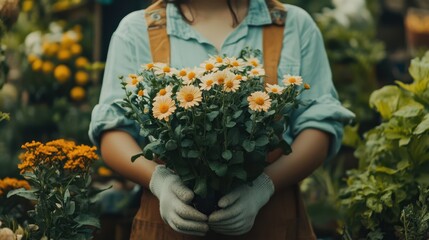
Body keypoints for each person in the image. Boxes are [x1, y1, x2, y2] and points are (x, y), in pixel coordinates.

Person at [88, 0, 355, 239]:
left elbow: (319, 126)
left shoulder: (295, 26)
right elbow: (113, 131)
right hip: (168, 226)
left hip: (272, 221)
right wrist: (160, 182)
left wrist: (264, 187)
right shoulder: (136, 30)